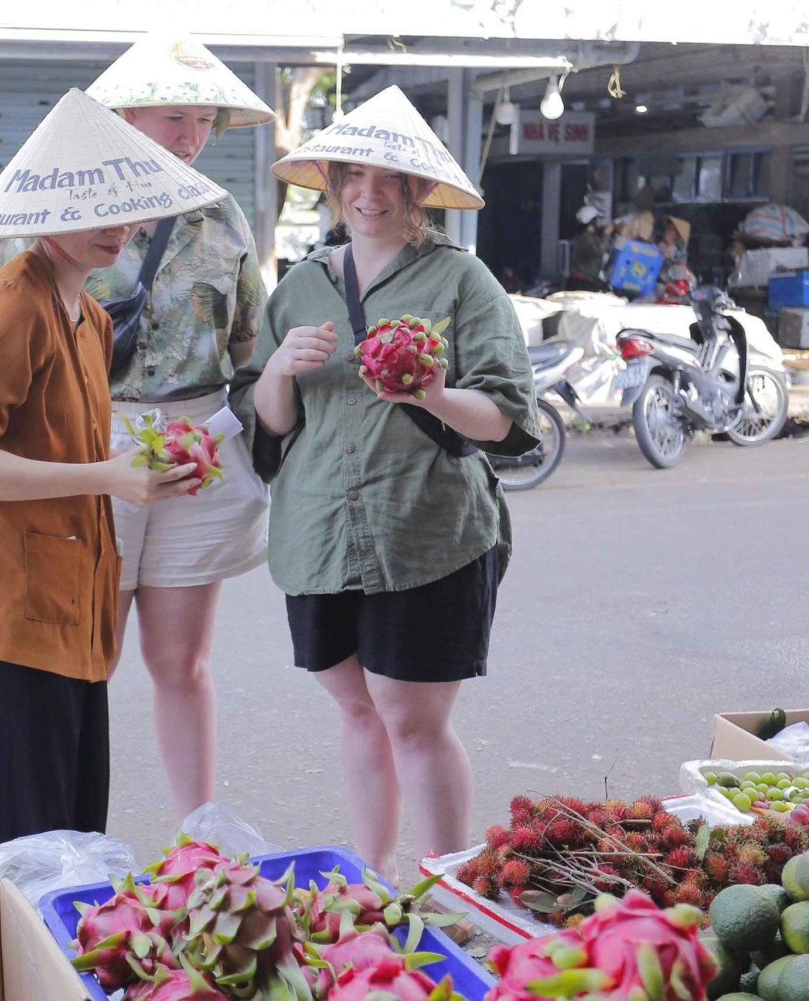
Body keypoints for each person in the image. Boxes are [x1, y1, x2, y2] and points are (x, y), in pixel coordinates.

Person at [230, 86, 540, 880]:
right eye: (352, 177)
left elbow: (505, 416)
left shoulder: (462, 282)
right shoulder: (298, 287)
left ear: (417, 192)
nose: (368, 195)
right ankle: (373, 871)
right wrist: (279, 366)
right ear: (332, 184)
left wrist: (430, 391)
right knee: (360, 713)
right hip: (319, 532)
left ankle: (446, 882)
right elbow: (268, 419)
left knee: (414, 721)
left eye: (388, 179)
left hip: (424, 532)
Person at [0, 89, 224, 864]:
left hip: (69, 591)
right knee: (24, 835)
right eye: (93, 205)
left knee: (75, 818)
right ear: (44, 209)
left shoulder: (86, 312)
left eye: (127, 204)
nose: (116, 223)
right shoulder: (12, 304)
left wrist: (147, 466)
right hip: (12, 591)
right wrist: (108, 476)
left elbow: (79, 447)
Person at [61, 34, 276, 822]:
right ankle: (77, 831)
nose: (190, 135)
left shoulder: (222, 217)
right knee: (89, 660)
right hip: (93, 440)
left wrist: (233, 432)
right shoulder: (68, 203)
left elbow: (251, 344)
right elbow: (19, 327)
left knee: (181, 662)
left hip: (200, 439)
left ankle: (201, 834)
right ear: (125, 116)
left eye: (203, 119)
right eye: (174, 116)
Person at [566, 204, 613, 292]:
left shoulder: (589, 236)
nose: (599, 222)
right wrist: (606, 234)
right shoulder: (585, 238)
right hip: (583, 282)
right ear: (592, 221)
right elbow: (598, 251)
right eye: (597, 219)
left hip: (587, 279)